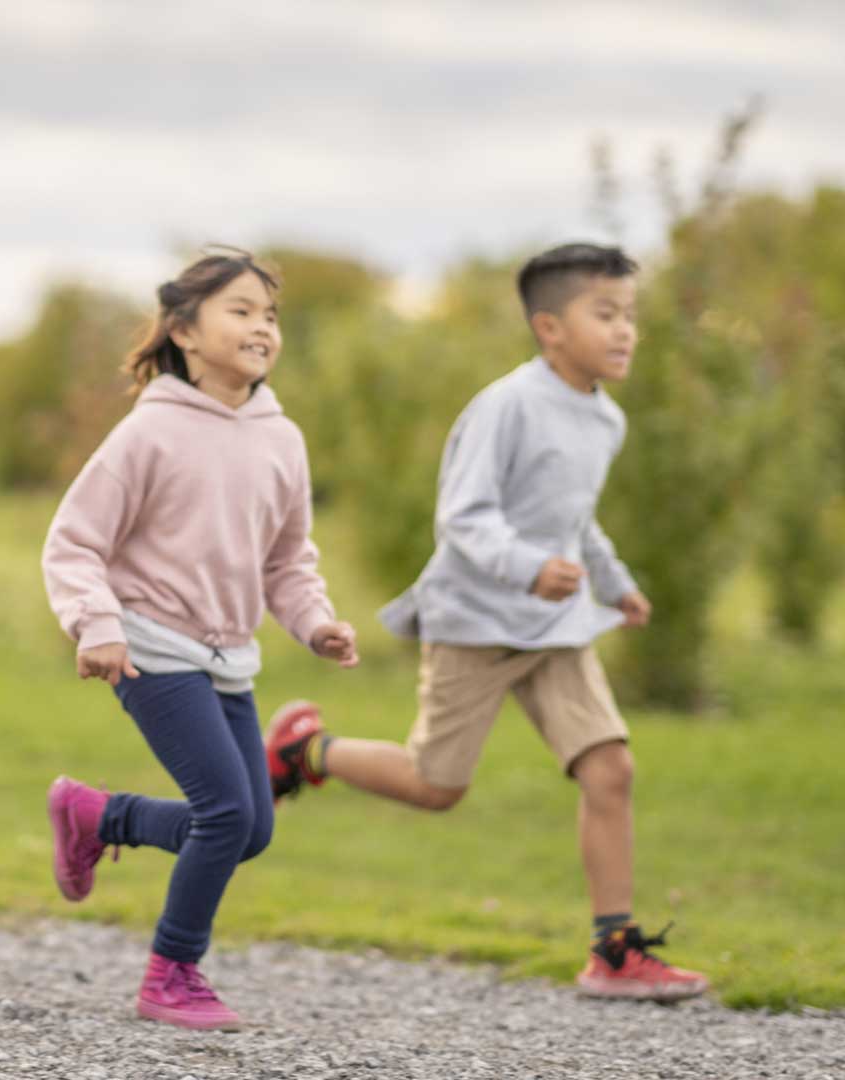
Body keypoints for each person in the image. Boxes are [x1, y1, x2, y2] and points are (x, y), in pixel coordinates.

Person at [265, 242, 708, 1001]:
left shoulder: (605, 419)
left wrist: (613, 581)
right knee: (437, 785)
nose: (625, 330)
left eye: (630, 315)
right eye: (605, 314)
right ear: (549, 327)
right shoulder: (507, 405)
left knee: (611, 769)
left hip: (557, 629)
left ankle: (615, 949)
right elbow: (463, 518)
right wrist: (528, 566)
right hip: (476, 621)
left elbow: (576, 518)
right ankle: (309, 750)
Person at [41, 250, 358, 1030]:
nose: (261, 327)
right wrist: (99, 625)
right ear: (184, 330)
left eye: (270, 315)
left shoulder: (281, 438)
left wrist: (314, 620)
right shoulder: (148, 434)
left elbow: (288, 560)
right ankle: (171, 973)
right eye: (241, 311)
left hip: (227, 657)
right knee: (222, 813)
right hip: (148, 644)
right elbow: (74, 543)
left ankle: (97, 815)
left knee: (250, 828)